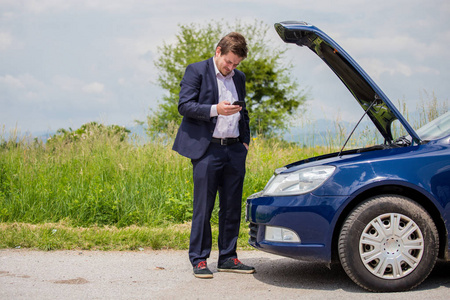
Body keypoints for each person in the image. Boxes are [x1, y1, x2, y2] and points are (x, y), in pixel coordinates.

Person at [172, 32, 254, 279]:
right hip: (207, 149)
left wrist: (245, 141)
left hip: (234, 149)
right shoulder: (196, 71)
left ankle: (228, 257)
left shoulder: (239, 77)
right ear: (218, 51)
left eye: (236, 64)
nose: (231, 68)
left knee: (231, 207)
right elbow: (184, 106)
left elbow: (244, 110)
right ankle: (199, 259)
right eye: (228, 62)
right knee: (203, 207)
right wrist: (214, 110)